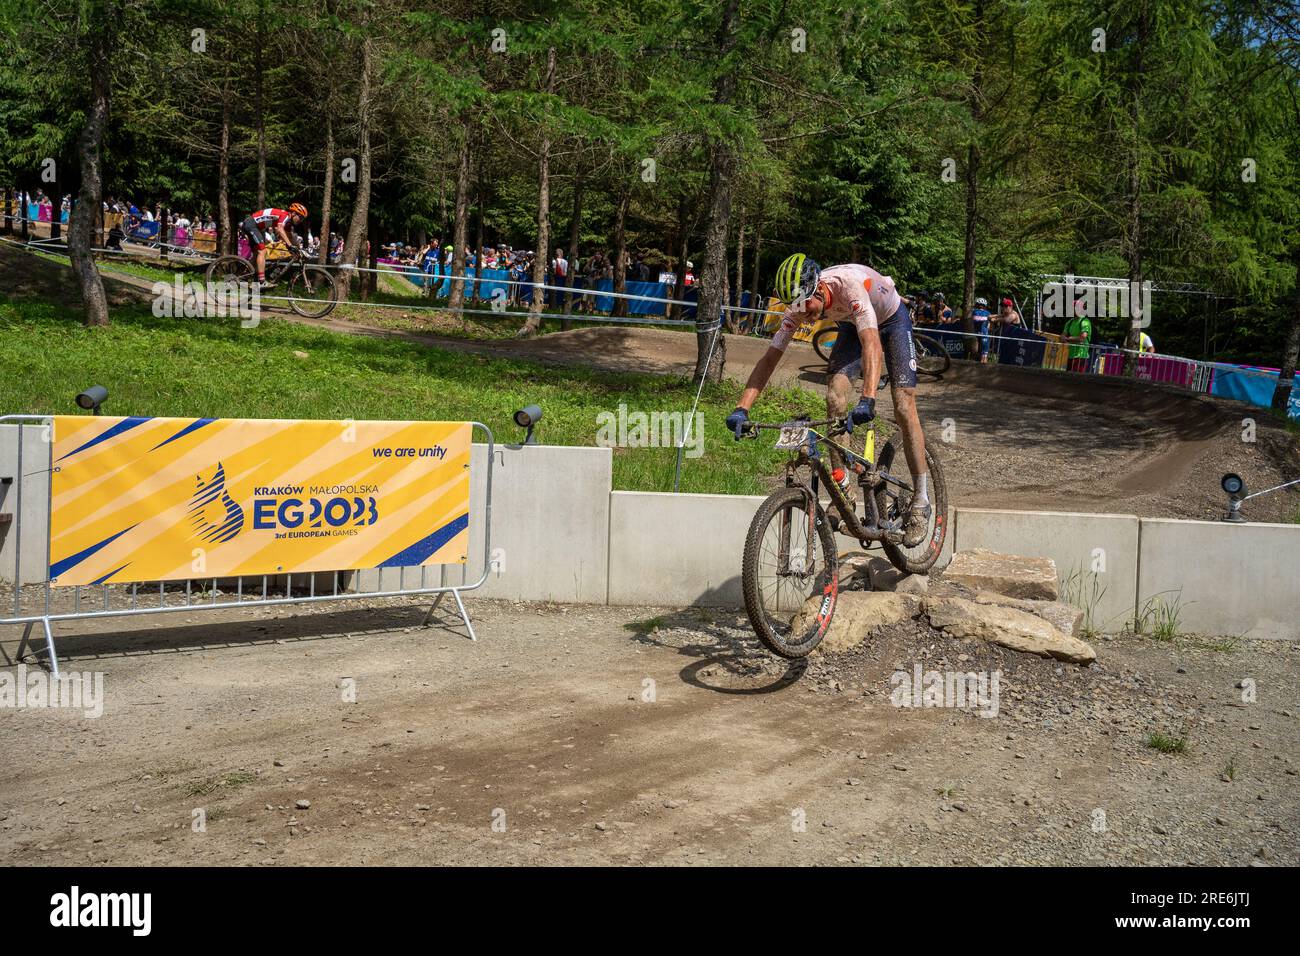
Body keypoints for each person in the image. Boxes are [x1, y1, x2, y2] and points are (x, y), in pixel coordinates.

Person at [724, 254, 934, 548]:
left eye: (808, 307)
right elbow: (770, 358)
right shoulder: (799, 305)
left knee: (903, 404)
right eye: (797, 310)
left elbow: (872, 344)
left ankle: (921, 501)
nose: (804, 316)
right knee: (835, 398)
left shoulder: (848, 286)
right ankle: (843, 491)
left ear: (819, 290)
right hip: (850, 324)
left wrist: (868, 400)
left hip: (890, 321)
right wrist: (742, 407)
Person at [240, 202, 308, 286]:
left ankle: (244, 275)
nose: (300, 221)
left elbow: (290, 236)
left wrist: (299, 249)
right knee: (262, 251)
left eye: (302, 219)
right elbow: (280, 229)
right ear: (293, 213)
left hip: (257, 227)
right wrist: (290, 245)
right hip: (251, 224)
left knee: (257, 253)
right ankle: (261, 281)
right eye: (300, 217)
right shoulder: (285, 215)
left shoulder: (288, 223)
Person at [1062, 301, 1092, 373]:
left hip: (1081, 357)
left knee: (1077, 381)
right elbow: (1063, 335)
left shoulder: (1085, 322)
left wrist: (1068, 339)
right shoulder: (1069, 322)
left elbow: (1082, 338)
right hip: (1069, 356)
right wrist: (1063, 337)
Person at [971, 296, 992, 362]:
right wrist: (988, 318)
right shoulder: (975, 311)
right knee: (982, 348)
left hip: (982, 332)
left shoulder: (987, 313)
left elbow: (989, 324)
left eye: (981, 305)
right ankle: (981, 359)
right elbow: (976, 319)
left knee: (984, 347)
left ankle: (983, 360)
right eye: (979, 305)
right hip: (979, 333)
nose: (980, 307)